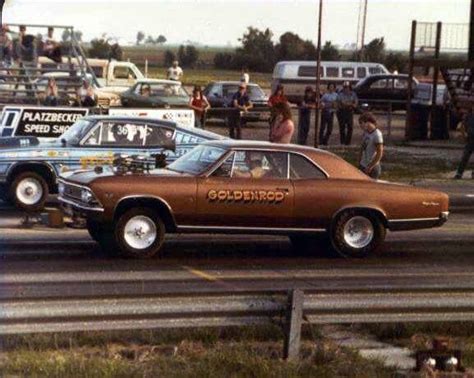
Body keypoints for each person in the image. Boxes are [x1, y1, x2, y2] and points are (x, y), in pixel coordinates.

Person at [358, 112, 384, 179]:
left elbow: (379, 152)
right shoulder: (366, 132)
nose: (360, 125)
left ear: (368, 122)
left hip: (372, 167)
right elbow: (362, 147)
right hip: (363, 164)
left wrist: (371, 166)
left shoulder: (377, 134)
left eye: (361, 123)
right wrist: (359, 160)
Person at [454, 105, 474, 179]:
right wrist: (464, 135)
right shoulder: (468, 116)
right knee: (465, 157)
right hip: (470, 139)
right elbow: (461, 126)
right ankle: (459, 173)